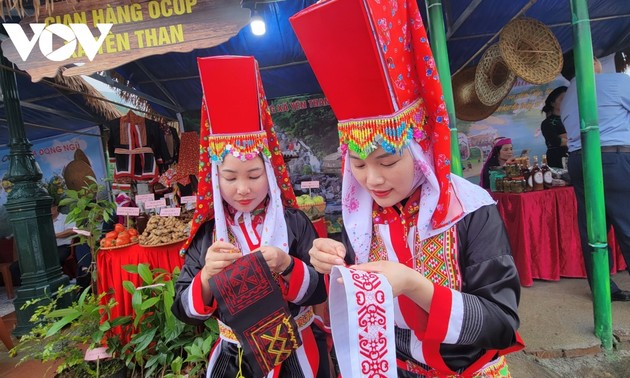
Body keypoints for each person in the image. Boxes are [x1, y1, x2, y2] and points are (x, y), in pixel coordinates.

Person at [291, 0, 523, 376]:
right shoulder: (360, 218)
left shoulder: (471, 210)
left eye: (387, 161)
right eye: (358, 164)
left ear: (420, 148)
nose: (373, 180)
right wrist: (327, 266)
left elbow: (501, 323)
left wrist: (417, 287)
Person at [171, 56, 329, 377]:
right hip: (236, 359)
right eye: (230, 178)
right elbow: (183, 310)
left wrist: (287, 265)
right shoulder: (209, 235)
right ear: (216, 178)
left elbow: (321, 290)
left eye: (254, 175)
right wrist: (205, 278)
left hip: (299, 353)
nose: (243, 189)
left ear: (269, 173)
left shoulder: (295, 222)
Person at [561, 56, 630, 302]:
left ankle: (603, 288)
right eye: (594, 57)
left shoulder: (568, 96)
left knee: (593, 227)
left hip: (580, 161)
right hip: (613, 157)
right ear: (588, 61)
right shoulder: (615, 82)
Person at [541, 86, 569, 168]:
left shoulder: (570, 119)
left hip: (572, 157)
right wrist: (571, 139)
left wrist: (565, 138)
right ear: (552, 103)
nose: (566, 102)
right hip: (557, 159)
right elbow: (555, 141)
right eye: (562, 99)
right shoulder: (547, 123)